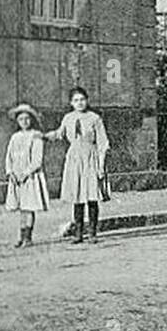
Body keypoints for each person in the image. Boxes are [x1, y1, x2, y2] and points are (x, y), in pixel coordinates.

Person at [51, 86, 110, 244]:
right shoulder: (68, 118)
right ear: (71, 103)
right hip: (75, 159)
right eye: (76, 100)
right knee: (77, 196)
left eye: (82, 99)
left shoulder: (94, 118)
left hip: (90, 158)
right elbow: (59, 134)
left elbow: (103, 143)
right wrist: (39, 135)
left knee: (91, 196)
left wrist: (101, 166)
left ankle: (92, 232)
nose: (80, 103)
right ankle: (78, 233)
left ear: (87, 100)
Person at [4, 103, 50, 248]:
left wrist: (25, 174)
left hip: (30, 177)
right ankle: (21, 236)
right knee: (22, 209)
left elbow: (37, 160)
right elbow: (9, 156)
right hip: (16, 177)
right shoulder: (15, 137)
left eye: (27, 119)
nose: (24, 122)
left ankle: (28, 237)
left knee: (29, 207)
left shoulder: (36, 136)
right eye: (21, 119)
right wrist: (10, 172)